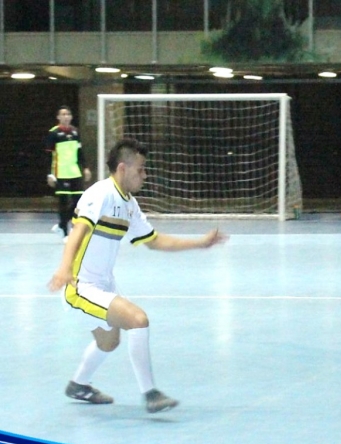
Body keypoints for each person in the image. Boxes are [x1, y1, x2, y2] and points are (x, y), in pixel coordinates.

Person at [47, 139, 229, 413]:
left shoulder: (129, 205)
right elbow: (78, 232)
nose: (144, 175)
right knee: (138, 320)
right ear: (123, 168)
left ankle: (78, 385)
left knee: (109, 342)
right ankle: (150, 394)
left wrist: (200, 243)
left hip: (103, 284)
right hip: (80, 285)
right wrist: (64, 268)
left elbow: (154, 241)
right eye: (141, 169)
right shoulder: (101, 194)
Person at [45, 106, 92, 240]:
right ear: (58, 117)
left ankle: (61, 224)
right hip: (60, 172)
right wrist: (50, 173)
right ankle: (65, 232)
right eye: (63, 114)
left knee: (78, 202)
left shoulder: (75, 132)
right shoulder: (53, 133)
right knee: (64, 202)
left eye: (68, 114)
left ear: (71, 117)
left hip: (75, 172)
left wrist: (85, 168)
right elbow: (49, 155)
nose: (66, 116)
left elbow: (79, 152)